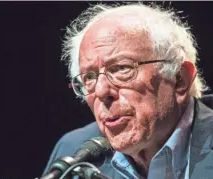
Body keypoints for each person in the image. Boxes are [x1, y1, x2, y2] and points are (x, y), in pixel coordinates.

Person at [43, 3, 213, 179]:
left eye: (121, 68)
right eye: (89, 78)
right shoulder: (73, 151)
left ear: (179, 79)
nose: (101, 91)